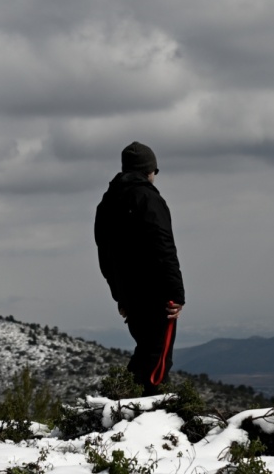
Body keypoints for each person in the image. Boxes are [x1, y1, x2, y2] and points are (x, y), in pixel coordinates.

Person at [94, 141, 185, 395]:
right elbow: (164, 246)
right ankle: (140, 415)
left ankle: (121, 406)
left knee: (146, 352)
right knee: (157, 361)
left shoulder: (107, 202)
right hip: (156, 294)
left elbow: (106, 255)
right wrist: (177, 295)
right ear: (150, 170)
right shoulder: (148, 198)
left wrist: (120, 296)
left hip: (130, 297)